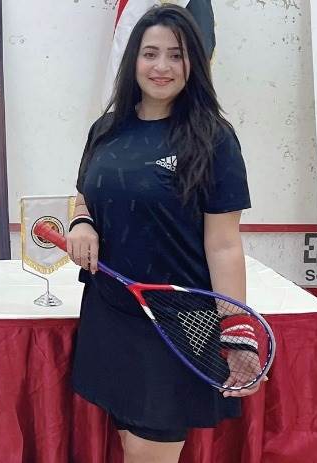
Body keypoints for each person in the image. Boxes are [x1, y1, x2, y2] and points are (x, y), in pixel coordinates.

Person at [66, 5, 263, 462]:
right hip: (110, 311)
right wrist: (82, 222)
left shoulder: (214, 138)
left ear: (194, 63)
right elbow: (84, 195)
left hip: (178, 321)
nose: (161, 66)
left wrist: (236, 329)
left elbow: (224, 245)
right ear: (133, 59)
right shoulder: (106, 129)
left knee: (147, 451)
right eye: (150, 53)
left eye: (176, 55)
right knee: (128, 442)